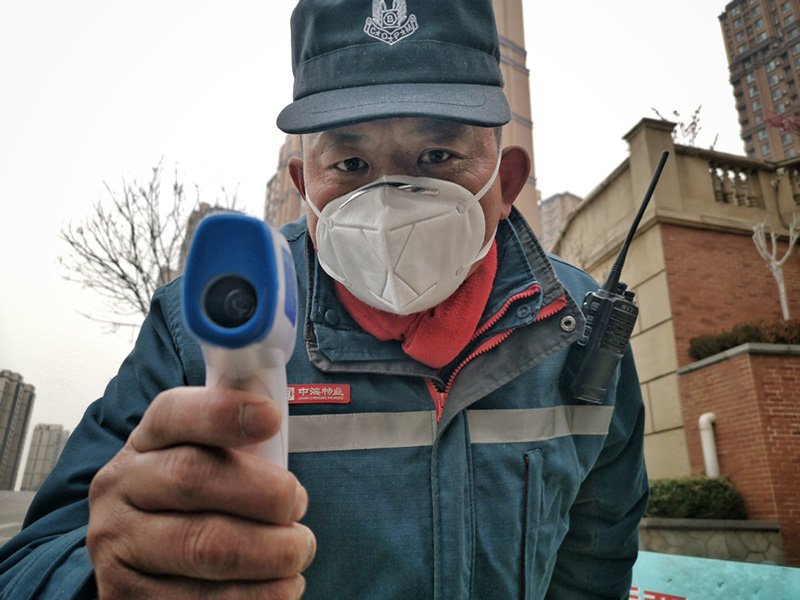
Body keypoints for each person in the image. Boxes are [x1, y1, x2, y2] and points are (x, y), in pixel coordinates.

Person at [0, 1, 648, 598]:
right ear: (302, 184)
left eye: (437, 153)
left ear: (505, 181)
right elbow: (32, 560)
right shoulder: (201, 324)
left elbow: (594, 560)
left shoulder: (583, 331)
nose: (393, 197)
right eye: (352, 165)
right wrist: (102, 574)